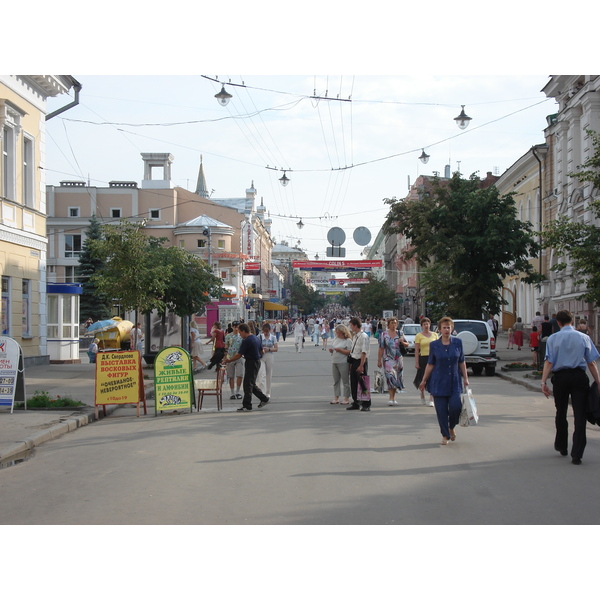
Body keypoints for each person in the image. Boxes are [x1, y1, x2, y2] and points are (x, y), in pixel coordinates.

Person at [541, 310, 600, 465]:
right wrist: (599, 382)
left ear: (558, 323)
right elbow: (591, 362)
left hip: (560, 378)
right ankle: (577, 453)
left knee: (561, 412)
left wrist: (543, 382)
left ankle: (562, 446)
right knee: (580, 414)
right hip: (579, 377)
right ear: (572, 321)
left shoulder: (553, 339)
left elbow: (549, 362)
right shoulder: (584, 337)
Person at [419, 317, 470, 445]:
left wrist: (466, 378)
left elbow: (461, 361)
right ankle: (445, 435)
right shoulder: (434, 345)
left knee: (455, 407)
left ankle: (451, 426)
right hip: (438, 382)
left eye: (449, 327)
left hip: (454, 381)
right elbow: (430, 364)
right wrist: (424, 380)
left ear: (451, 329)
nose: (447, 330)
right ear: (440, 329)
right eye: (444, 327)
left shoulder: (458, 342)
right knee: (441, 411)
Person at [224, 323, 270, 412]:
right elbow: (262, 351)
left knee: (247, 385)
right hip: (256, 361)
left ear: (244, 331)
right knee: (251, 383)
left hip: (251, 362)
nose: (240, 335)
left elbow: (239, 354)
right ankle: (264, 399)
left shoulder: (247, 340)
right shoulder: (255, 338)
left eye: (240, 333)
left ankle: (247, 405)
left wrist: (229, 360)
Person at [377, 317, 409, 407]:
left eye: (395, 323)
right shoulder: (384, 334)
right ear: (388, 324)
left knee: (396, 378)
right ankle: (391, 398)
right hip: (387, 358)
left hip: (398, 358)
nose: (394, 325)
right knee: (390, 376)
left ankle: (393, 397)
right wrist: (379, 360)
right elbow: (381, 348)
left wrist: (402, 342)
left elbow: (407, 344)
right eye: (392, 323)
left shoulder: (400, 333)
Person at [346, 317, 371, 411]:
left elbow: (364, 352)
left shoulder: (364, 336)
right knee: (354, 382)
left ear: (356, 325)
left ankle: (366, 404)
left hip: (361, 361)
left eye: (351, 325)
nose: (350, 327)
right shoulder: (355, 336)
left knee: (363, 382)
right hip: (354, 360)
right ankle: (356, 402)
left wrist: (361, 365)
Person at [413, 317, 439, 406]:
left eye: (427, 324)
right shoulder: (419, 336)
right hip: (423, 358)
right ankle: (422, 393)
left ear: (430, 325)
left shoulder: (435, 335)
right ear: (422, 326)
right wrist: (417, 362)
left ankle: (431, 398)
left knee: (433, 377)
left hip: (433, 358)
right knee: (423, 377)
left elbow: (438, 348)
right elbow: (416, 350)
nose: (426, 326)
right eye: (424, 324)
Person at [329, 324, 353, 404]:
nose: (338, 334)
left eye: (339, 333)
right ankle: (336, 397)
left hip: (343, 362)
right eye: (337, 332)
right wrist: (331, 350)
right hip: (334, 361)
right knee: (336, 381)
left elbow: (350, 352)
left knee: (345, 381)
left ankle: (346, 398)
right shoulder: (336, 339)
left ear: (344, 332)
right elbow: (333, 347)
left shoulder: (348, 340)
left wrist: (340, 350)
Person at [258, 322, 278, 400]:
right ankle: (262, 393)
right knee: (262, 374)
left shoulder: (273, 337)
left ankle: (268, 392)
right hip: (261, 356)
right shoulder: (259, 337)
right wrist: (261, 350)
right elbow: (256, 346)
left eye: (267, 331)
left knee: (269, 375)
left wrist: (269, 349)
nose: (266, 333)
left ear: (270, 330)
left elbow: (276, 348)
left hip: (269, 355)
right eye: (264, 331)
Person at [225, 322, 244, 400]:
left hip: (239, 357)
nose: (236, 328)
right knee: (231, 376)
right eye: (235, 327)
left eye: (238, 327)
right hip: (230, 357)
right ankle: (232, 393)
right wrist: (225, 358)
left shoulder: (241, 336)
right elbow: (226, 347)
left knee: (240, 374)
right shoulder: (228, 336)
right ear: (232, 327)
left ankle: (238, 392)